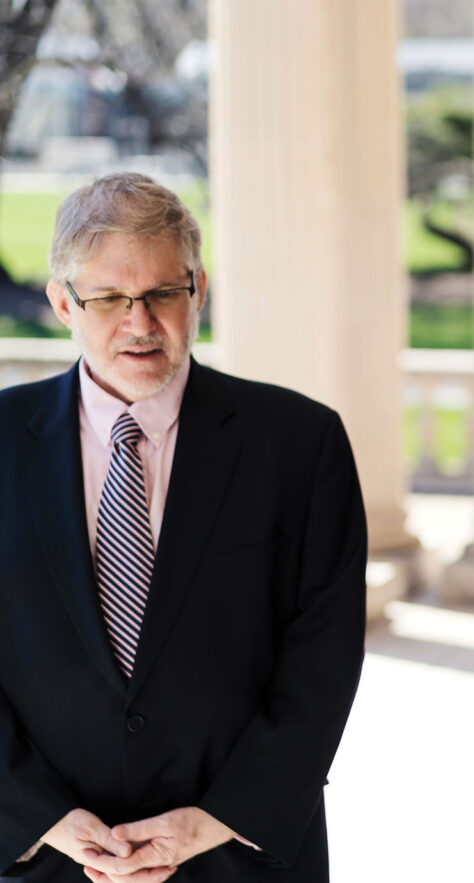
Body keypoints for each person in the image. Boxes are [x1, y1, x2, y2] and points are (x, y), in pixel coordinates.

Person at [0, 173, 367, 881]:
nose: (140, 323)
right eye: (108, 298)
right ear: (60, 303)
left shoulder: (299, 443)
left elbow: (323, 662)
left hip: (240, 856)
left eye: (163, 293)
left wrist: (217, 819)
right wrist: (35, 816)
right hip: (39, 858)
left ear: (198, 289)